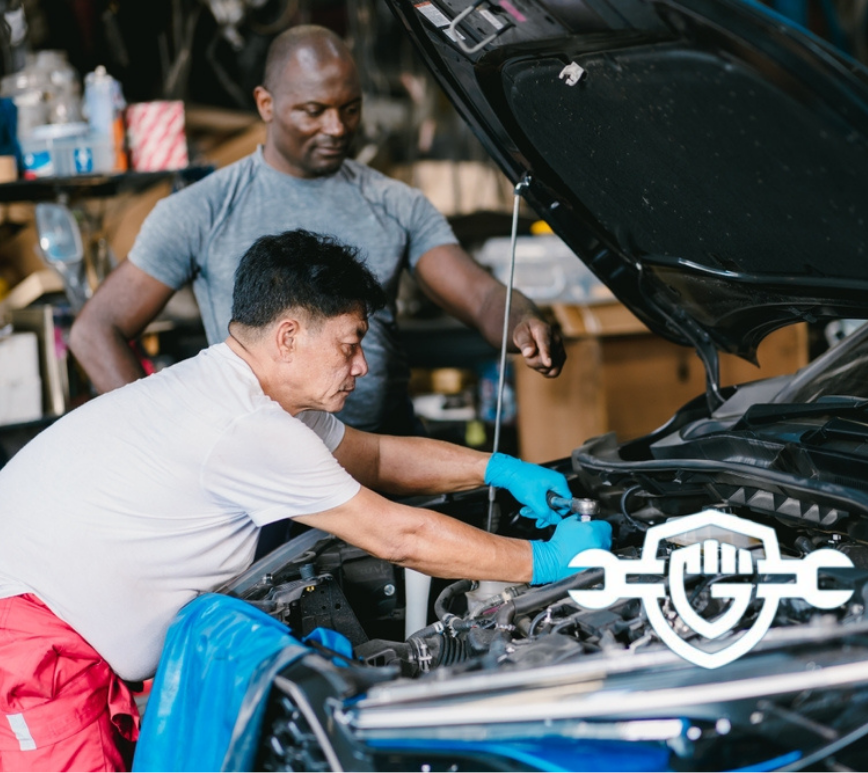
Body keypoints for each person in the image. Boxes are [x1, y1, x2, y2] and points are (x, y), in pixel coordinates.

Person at [0, 229, 609, 773]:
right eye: (350, 344)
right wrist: (547, 562)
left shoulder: (243, 392)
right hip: (33, 647)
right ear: (288, 335)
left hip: (60, 633)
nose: (362, 365)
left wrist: (500, 470)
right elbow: (399, 537)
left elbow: (374, 457)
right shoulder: (245, 426)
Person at [68, 24, 566, 436]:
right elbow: (95, 331)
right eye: (314, 111)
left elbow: (479, 296)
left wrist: (522, 321)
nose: (336, 128)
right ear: (266, 105)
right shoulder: (202, 209)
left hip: (387, 456)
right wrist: (163, 438)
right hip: (265, 471)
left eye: (350, 109)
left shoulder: (395, 203)